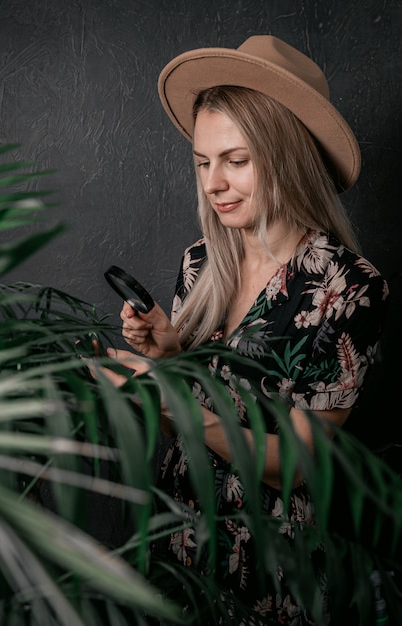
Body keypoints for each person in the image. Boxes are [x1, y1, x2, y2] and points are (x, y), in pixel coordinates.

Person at [100, 35, 389, 624]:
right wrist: (163, 364)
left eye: (236, 160)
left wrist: (179, 398)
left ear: (286, 156)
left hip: (276, 570)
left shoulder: (348, 287)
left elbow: (303, 464)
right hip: (177, 548)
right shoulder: (201, 263)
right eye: (203, 162)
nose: (212, 184)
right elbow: (181, 423)